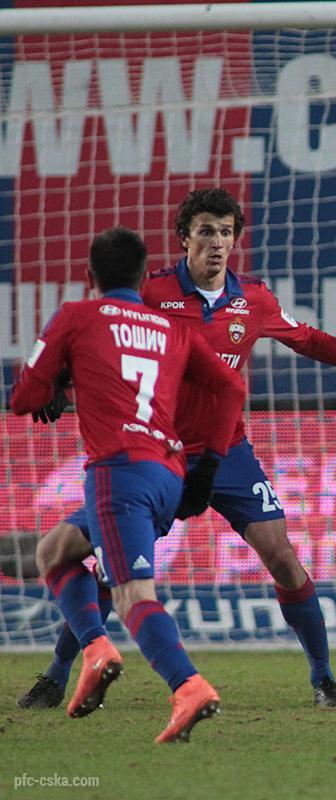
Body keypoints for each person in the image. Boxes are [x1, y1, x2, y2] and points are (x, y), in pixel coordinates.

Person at [17, 188, 336, 711]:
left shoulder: (253, 300)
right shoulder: (153, 292)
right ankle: (58, 675)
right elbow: (103, 337)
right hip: (160, 453)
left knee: (282, 557)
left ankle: (324, 678)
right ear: (184, 238)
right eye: (205, 232)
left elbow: (309, 340)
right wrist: (60, 383)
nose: (216, 243)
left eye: (225, 232)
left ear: (235, 239)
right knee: (108, 564)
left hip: (228, 454)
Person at [10, 226, 246, 742]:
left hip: (118, 472)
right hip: (169, 474)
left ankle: (188, 686)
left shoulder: (77, 316)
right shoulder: (171, 328)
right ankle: (94, 650)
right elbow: (232, 386)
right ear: (143, 279)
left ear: (90, 275)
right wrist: (209, 467)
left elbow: (23, 398)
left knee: (131, 594)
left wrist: (57, 380)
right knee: (54, 551)